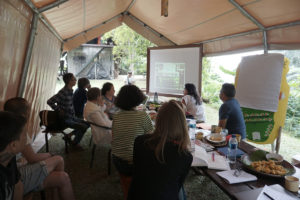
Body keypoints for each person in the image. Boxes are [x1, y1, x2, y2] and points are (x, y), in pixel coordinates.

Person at [4, 97, 75, 199]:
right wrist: (49, 155)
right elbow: (32, 158)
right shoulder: (18, 131)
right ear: (25, 115)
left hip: (15, 173)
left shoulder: (4, 125)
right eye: (29, 111)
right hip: (15, 176)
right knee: (58, 160)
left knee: (61, 174)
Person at [128, 100, 193, 200]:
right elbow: (178, 185)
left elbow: (137, 169)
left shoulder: (140, 141)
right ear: (183, 124)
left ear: (158, 120)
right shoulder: (185, 156)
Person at [112, 85, 154, 199]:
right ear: (137, 99)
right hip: (133, 164)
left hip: (117, 160)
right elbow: (153, 139)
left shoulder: (116, 116)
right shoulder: (142, 116)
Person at [47, 73, 89, 148]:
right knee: (83, 127)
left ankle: (69, 136)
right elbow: (50, 101)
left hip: (71, 117)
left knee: (88, 124)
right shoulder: (63, 92)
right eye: (73, 79)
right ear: (69, 81)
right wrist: (59, 110)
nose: (75, 80)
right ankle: (74, 144)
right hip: (65, 119)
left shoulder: (70, 90)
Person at [0, 111, 27, 200]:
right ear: (14, 145)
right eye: (25, 135)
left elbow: (17, 185)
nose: (27, 138)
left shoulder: (9, 157)